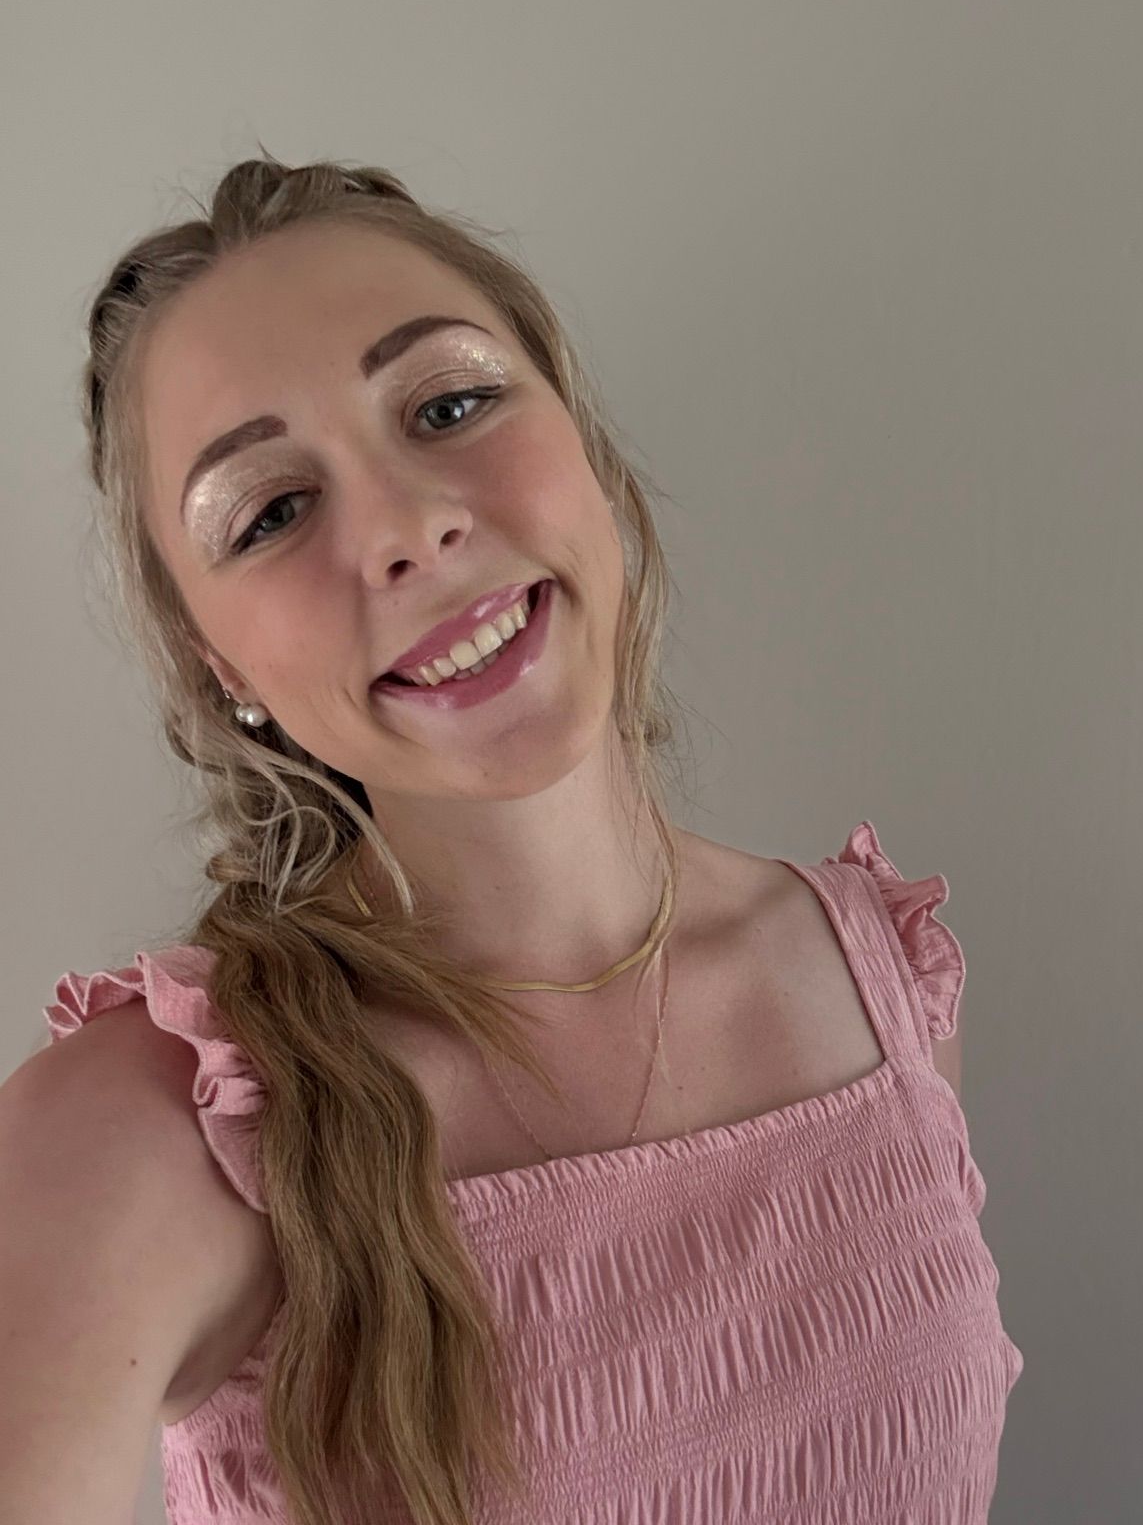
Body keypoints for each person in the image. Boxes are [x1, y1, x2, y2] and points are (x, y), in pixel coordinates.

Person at [0, 153, 1021, 1525]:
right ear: (216, 660)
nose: (411, 528)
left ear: (579, 438)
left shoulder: (881, 983)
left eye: (450, 404)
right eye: (273, 512)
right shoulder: (142, 1135)